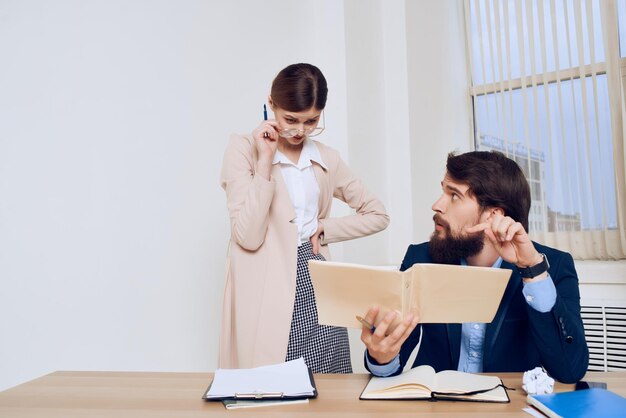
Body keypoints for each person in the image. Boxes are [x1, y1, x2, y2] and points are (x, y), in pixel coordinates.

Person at [360, 151, 589, 383]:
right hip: (435, 406)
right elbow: (393, 353)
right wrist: (382, 358)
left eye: (454, 196)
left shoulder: (551, 266)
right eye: (443, 191)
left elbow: (569, 370)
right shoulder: (421, 258)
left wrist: (532, 272)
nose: (437, 205)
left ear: (492, 214)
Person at [219, 63, 390, 373]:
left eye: (312, 121)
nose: (300, 131)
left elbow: (378, 214)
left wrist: (324, 228)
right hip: (264, 284)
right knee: (269, 387)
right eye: (291, 120)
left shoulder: (326, 158)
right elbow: (248, 236)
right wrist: (265, 159)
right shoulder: (242, 150)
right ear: (271, 104)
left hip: (315, 280)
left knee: (326, 385)